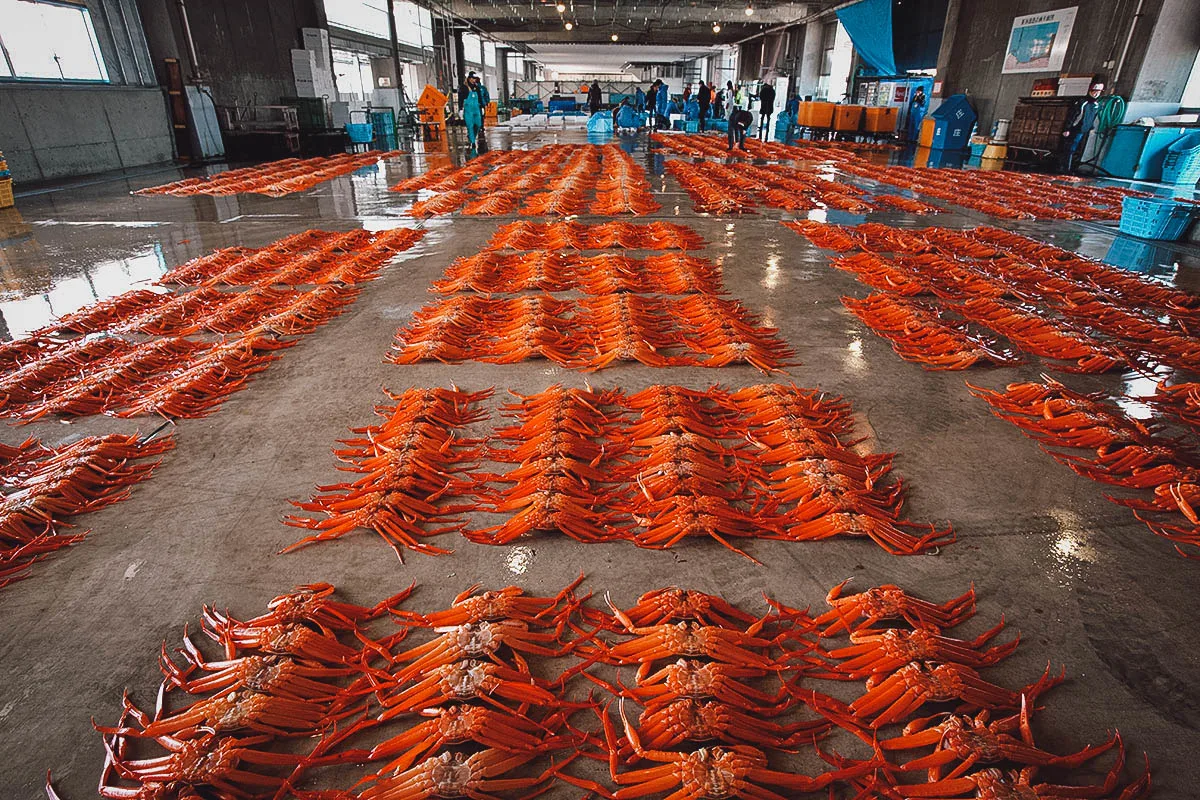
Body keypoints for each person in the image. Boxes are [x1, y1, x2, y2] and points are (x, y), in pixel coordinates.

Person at [1060, 80, 1105, 173]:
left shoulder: (1096, 105)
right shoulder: (1082, 102)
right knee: (1070, 148)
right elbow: (1073, 116)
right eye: (1094, 91)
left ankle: (1073, 167)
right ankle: (1065, 169)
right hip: (1076, 129)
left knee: (1079, 149)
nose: (1096, 94)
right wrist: (1067, 128)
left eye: (1098, 92)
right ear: (1090, 91)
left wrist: (1091, 128)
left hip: (1085, 130)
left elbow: (1092, 118)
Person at [458, 71, 490, 152]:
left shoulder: (477, 87)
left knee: (478, 124)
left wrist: (482, 107)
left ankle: (471, 136)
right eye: (472, 78)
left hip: (476, 108)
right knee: (470, 125)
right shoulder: (463, 87)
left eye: (475, 79)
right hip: (468, 109)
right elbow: (460, 98)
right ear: (469, 78)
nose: (474, 80)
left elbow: (480, 97)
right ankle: (472, 142)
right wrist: (460, 109)